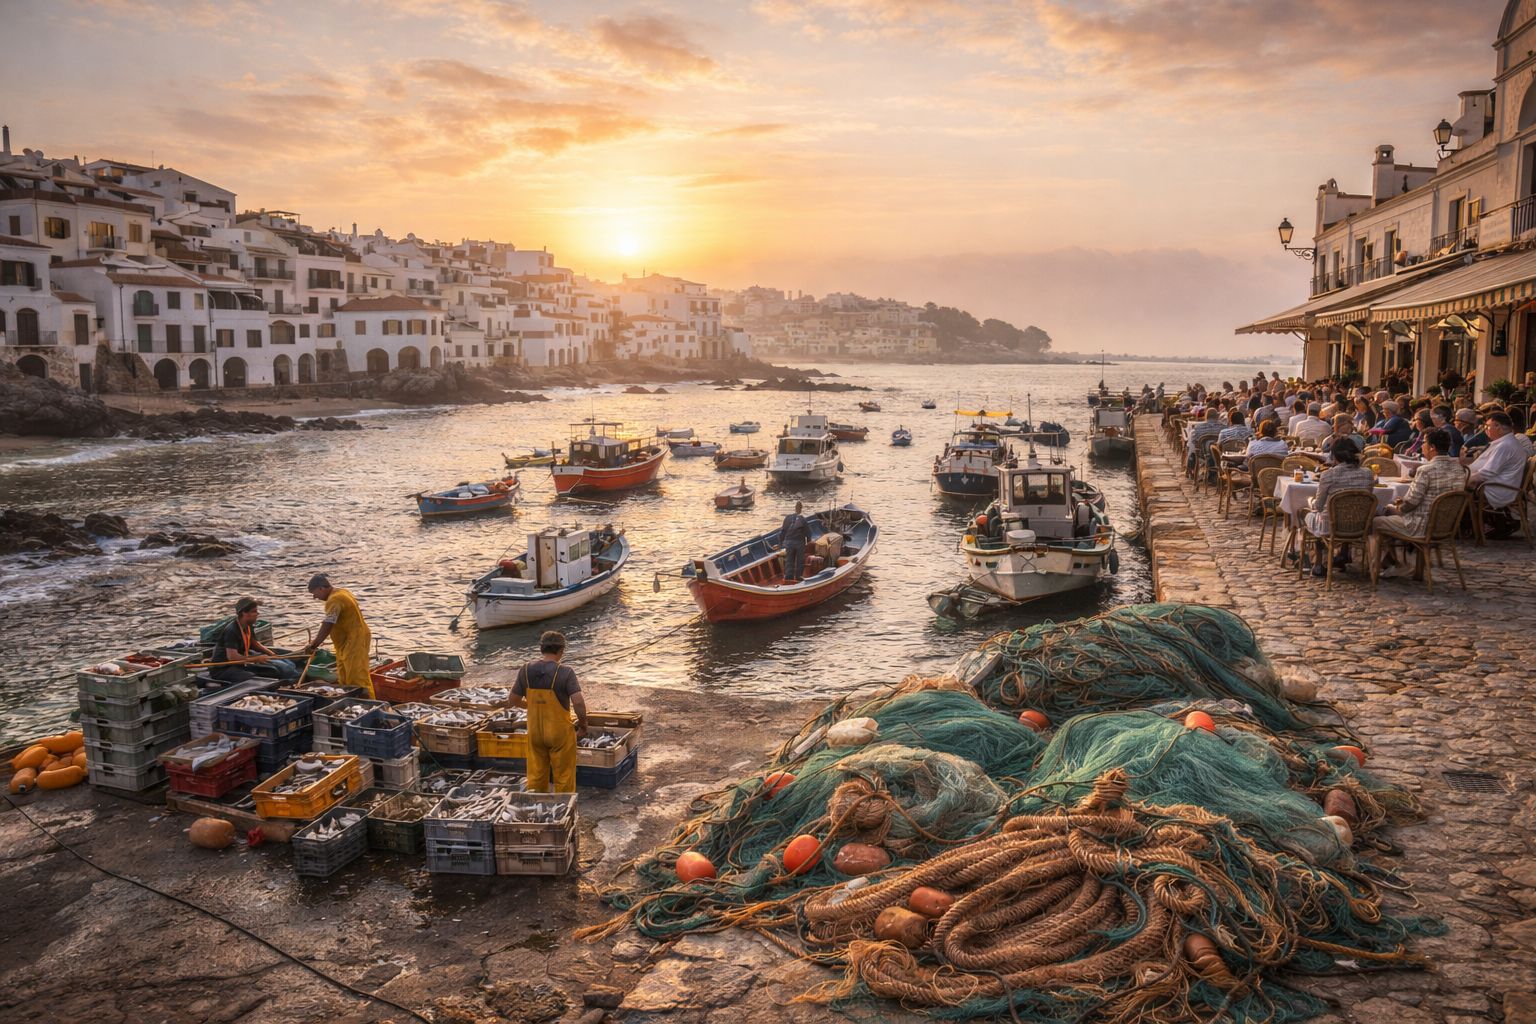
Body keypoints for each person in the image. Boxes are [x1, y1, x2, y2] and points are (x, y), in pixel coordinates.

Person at [1373, 429, 1467, 576]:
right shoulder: (1459, 469)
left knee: (1377, 520)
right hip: (1445, 525)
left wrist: (1398, 506)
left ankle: (1396, 562)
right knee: (1390, 513)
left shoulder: (1425, 470)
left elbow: (1410, 504)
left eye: (1424, 444)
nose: (1422, 447)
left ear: (1432, 448)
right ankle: (1395, 560)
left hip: (1420, 525)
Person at [511, 630, 588, 793]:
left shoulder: (525, 670)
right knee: (564, 778)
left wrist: (533, 706)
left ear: (542, 648)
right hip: (560, 735)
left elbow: (513, 700)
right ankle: (563, 806)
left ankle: (536, 805)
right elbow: (578, 702)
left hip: (535, 734)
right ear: (561, 650)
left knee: (536, 778)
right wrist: (583, 724)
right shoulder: (566, 672)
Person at [1297, 438, 1374, 575]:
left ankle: (1318, 563)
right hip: (1359, 525)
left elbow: (1318, 506)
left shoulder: (1328, 475)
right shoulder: (1368, 474)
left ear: (1335, 457)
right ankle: (1344, 552)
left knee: (1310, 514)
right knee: (1349, 511)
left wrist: (1310, 500)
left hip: (1331, 526)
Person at [301, 574, 374, 697]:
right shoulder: (342, 592)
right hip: (345, 643)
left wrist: (314, 644)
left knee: (357, 679)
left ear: (321, 588)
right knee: (344, 679)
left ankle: (369, 704)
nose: (314, 597)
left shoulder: (334, 600)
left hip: (354, 641)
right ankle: (350, 703)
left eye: (314, 593)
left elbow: (328, 623)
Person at [1463, 411, 1530, 539]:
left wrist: (1466, 480)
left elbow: (1487, 473)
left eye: (1488, 426)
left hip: (1497, 488)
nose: (1486, 429)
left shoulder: (1505, 445)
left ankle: (1464, 526)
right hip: (1495, 484)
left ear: (1498, 426)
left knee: (1456, 490)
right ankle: (1470, 525)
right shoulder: (1504, 442)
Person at [212, 597, 299, 684]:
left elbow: (254, 643)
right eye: (254, 611)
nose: (257, 614)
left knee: (273, 671)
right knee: (252, 678)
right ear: (244, 613)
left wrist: (271, 653)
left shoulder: (248, 626)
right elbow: (232, 657)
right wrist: (255, 659)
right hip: (224, 668)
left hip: (240, 664)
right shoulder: (231, 630)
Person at [780, 500, 811, 584]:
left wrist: (781, 543)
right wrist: (808, 544)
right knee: (800, 561)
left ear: (795, 508)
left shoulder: (788, 518)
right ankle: (798, 578)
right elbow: (808, 533)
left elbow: (783, 531)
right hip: (799, 542)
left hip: (789, 542)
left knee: (789, 560)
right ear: (801, 509)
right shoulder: (802, 519)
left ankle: (788, 578)